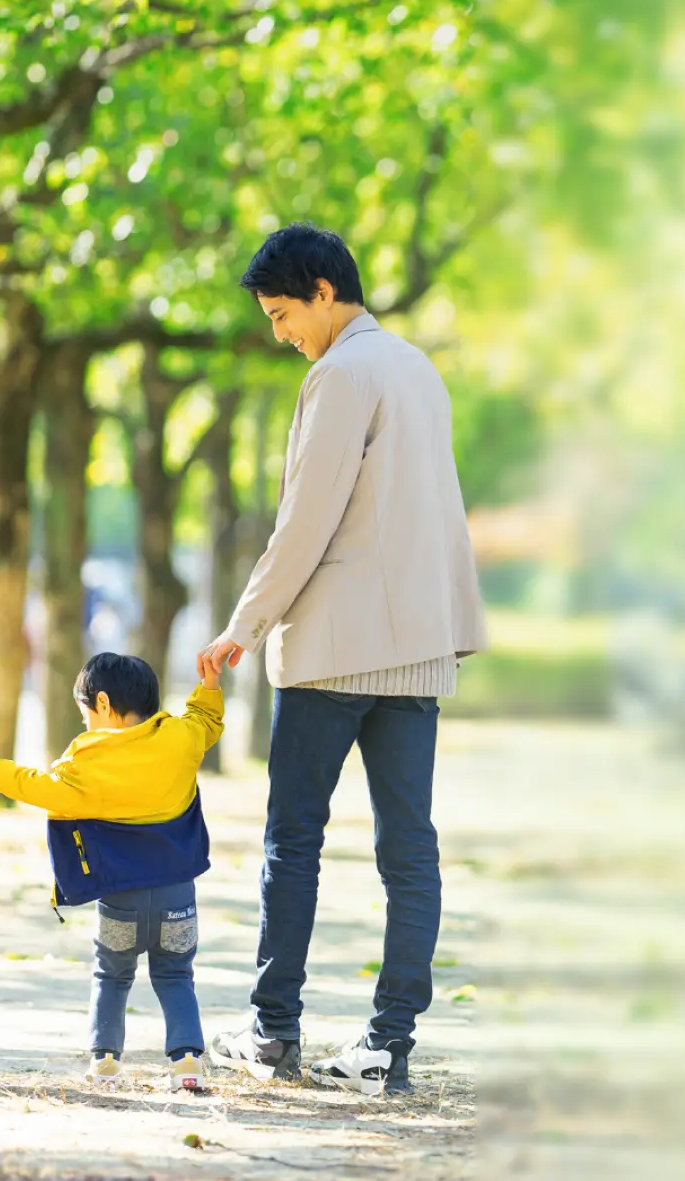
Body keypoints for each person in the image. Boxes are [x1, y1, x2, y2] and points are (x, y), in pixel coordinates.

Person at [198, 224, 488, 1093]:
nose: (281, 334)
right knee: (410, 850)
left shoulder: (340, 375)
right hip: (416, 656)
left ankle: (272, 1031)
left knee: (294, 840)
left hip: (331, 656)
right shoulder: (415, 368)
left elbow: (305, 521)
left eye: (284, 314)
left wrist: (243, 626)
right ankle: (387, 1046)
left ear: (325, 291)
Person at [0, 652, 223, 1091]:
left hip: (121, 898)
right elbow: (205, 720)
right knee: (176, 975)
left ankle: (104, 1061)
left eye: (85, 712)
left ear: (102, 703)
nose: (84, 724)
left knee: (112, 975)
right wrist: (210, 683)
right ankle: (188, 1063)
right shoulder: (181, 738)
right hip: (179, 896)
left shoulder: (87, 760)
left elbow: (45, 789)